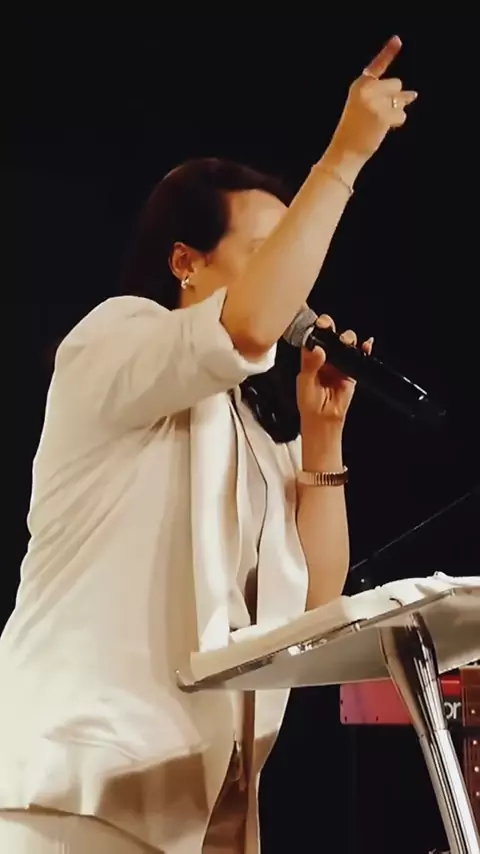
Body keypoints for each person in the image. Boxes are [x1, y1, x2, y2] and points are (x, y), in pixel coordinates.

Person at [0, 36, 416, 854]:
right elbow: (249, 324)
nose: (294, 278)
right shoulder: (114, 339)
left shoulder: (252, 427)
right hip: (80, 796)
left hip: (204, 812)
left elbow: (312, 606)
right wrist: (342, 159)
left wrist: (323, 436)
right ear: (184, 262)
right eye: (267, 251)